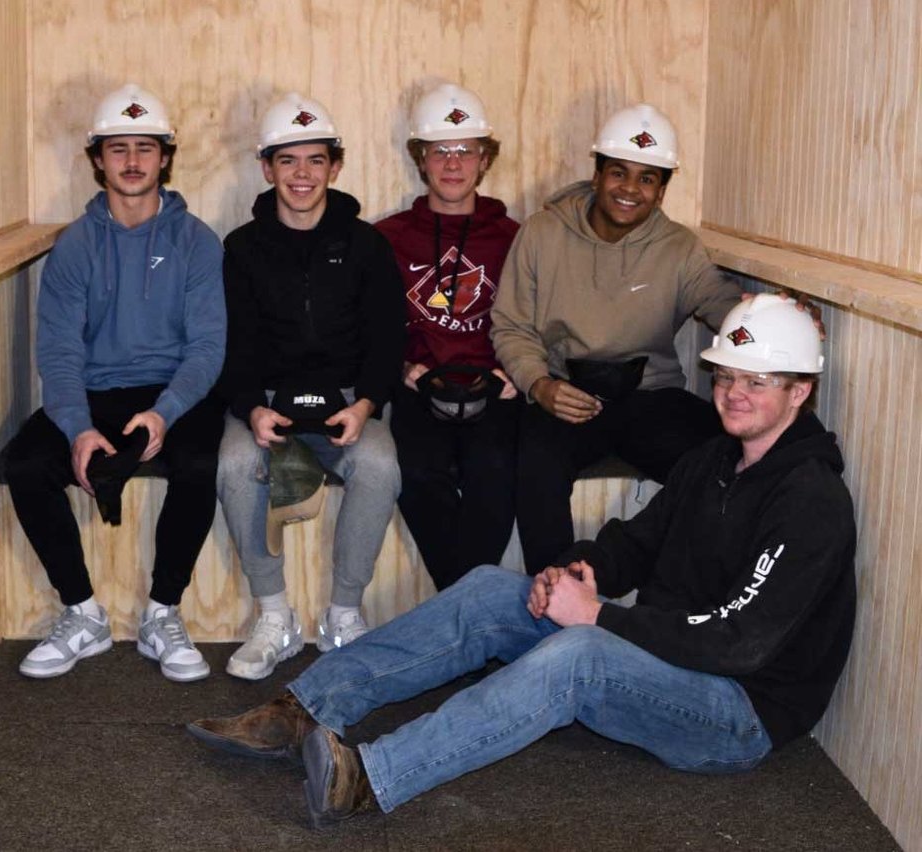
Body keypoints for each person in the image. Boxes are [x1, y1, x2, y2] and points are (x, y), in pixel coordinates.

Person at [188, 293, 855, 828]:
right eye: (728, 376)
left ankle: (368, 781)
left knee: (579, 658)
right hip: (672, 659)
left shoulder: (810, 500)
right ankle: (304, 708)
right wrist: (579, 569)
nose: (735, 394)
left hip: (738, 712)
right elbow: (639, 541)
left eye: (758, 382)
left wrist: (597, 618)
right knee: (486, 591)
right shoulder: (714, 457)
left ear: (800, 392)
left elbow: (740, 642)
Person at [4, 83, 226, 682]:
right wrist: (77, 429)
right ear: (98, 158)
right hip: (96, 393)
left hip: (171, 392)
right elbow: (58, 350)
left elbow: (208, 349)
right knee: (25, 465)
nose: (132, 161)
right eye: (118, 148)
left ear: (164, 158)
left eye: (145, 148)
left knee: (203, 460)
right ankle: (82, 614)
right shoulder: (75, 246)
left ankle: (163, 613)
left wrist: (165, 412)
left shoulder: (196, 242)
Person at [490, 103, 742, 574]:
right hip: (564, 393)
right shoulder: (543, 233)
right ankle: (554, 608)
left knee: (720, 462)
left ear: (662, 190)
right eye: (619, 173)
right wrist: (540, 386)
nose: (630, 189)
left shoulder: (678, 247)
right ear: (597, 174)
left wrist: (775, 316)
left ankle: (673, 606)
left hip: (650, 397)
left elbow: (719, 304)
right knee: (535, 466)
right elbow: (511, 324)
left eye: (647, 179)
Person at [216, 92, 405, 680]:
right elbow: (232, 344)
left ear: (335, 167)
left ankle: (343, 615)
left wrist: (367, 404)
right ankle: (274, 617)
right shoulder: (241, 249)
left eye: (315, 160)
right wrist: (251, 409)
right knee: (232, 467)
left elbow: (386, 340)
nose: (302, 175)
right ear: (267, 168)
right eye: (288, 161)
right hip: (265, 403)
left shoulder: (367, 244)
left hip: (347, 401)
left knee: (379, 466)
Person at [374, 83, 521, 590]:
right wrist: (400, 369)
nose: (453, 164)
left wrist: (518, 374)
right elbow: (366, 325)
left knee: (496, 472)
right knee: (417, 473)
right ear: (420, 159)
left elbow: (541, 320)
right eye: (440, 151)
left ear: (484, 160)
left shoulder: (516, 238)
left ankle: (461, 609)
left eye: (465, 151)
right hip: (420, 388)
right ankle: (466, 604)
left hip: (495, 388)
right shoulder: (386, 238)